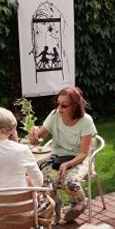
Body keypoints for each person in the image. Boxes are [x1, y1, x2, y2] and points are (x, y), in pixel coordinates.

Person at [30, 87, 98, 222]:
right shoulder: (55, 115)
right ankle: (54, 204)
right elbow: (38, 140)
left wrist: (68, 164)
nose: (59, 108)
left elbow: (84, 153)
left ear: (75, 106)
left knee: (70, 182)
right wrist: (34, 136)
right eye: (57, 103)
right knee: (47, 180)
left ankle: (79, 204)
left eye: (64, 105)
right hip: (58, 159)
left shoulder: (86, 121)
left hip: (80, 159)